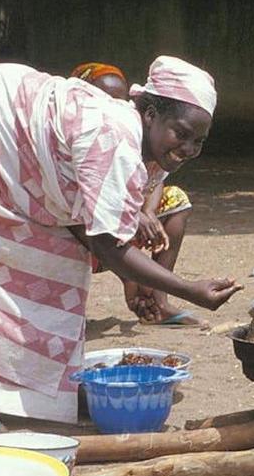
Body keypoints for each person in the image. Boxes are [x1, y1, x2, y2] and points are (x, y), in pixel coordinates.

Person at [0, 56, 241, 440]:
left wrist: (136, 278)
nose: (190, 148)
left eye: (199, 141)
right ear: (149, 113)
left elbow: (85, 225)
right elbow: (106, 245)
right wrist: (187, 290)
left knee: (47, 263)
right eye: (182, 134)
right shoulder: (111, 138)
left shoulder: (149, 153)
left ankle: (27, 385)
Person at [71, 60, 202, 325]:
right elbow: (89, 204)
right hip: (86, 230)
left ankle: (158, 301)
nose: (115, 108)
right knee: (75, 215)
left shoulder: (145, 141)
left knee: (177, 200)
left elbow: (157, 182)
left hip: (125, 226)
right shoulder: (84, 136)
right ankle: (129, 278)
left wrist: (148, 211)